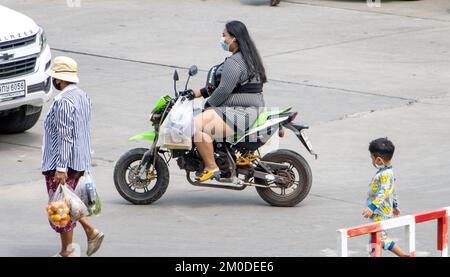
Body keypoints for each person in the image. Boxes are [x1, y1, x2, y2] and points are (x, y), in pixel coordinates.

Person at [181, 20, 267, 182]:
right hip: (250, 109)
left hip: (242, 113)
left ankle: (212, 167)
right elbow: (222, 87)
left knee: (194, 126)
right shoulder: (249, 58)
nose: (222, 39)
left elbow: (223, 90)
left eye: (224, 36)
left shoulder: (234, 62)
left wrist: (208, 104)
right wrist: (196, 93)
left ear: (234, 38)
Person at [42, 56, 104, 257]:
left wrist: (61, 168)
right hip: (78, 162)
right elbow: (84, 130)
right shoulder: (83, 97)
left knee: (60, 208)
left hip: (63, 164)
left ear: (59, 80)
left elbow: (65, 136)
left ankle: (67, 251)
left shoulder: (63, 102)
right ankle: (90, 232)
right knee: (69, 202)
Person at [362, 138, 408, 257]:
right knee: (379, 237)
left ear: (378, 159)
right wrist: (395, 205)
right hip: (382, 210)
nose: (371, 160)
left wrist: (372, 207)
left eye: (372, 158)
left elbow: (383, 193)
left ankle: (403, 255)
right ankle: (403, 256)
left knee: (377, 238)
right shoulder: (388, 172)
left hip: (379, 212)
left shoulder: (385, 174)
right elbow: (391, 190)